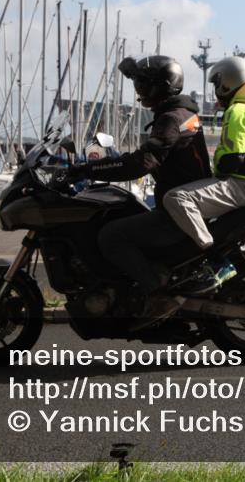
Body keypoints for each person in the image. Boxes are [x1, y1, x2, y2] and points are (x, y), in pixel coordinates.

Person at [67, 55, 211, 319]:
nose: (139, 92)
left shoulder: (171, 119)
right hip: (184, 205)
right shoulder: (182, 114)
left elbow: (141, 163)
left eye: (144, 86)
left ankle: (157, 293)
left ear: (162, 87)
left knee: (111, 236)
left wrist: (89, 169)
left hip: (177, 213)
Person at [163, 56, 245, 253]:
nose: (216, 90)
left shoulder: (238, 110)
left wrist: (217, 172)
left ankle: (207, 252)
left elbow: (234, 159)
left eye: (217, 83)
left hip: (244, 185)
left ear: (227, 83)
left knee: (176, 198)